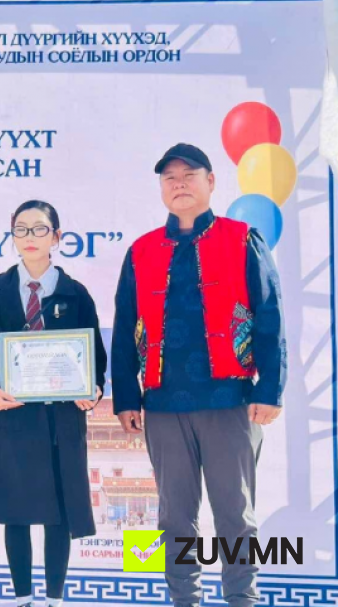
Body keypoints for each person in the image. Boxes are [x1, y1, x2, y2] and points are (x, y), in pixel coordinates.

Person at [112, 143, 286, 607]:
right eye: (170, 178)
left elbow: (270, 316)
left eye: (189, 175)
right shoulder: (142, 251)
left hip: (230, 400)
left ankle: (242, 598)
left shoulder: (242, 239)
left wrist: (270, 388)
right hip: (163, 405)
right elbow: (125, 327)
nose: (180, 184)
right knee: (174, 519)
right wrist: (126, 398)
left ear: (211, 182)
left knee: (236, 515)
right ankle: (184, 600)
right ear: (161, 189)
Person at [0, 200, 107, 607]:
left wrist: (93, 389)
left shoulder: (76, 294)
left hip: (61, 421)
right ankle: (22, 599)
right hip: (11, 419)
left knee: (58, 513)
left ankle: (55, 600)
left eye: (39, 229)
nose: (30, 237)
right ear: (12, 237)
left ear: (56, 237)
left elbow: (95, 359)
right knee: (17, 512)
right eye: (21, 229)